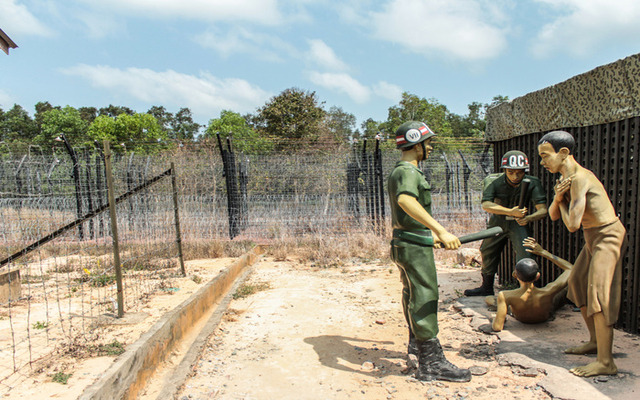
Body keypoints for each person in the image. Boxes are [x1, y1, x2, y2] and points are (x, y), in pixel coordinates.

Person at [538, 130, 627, 377]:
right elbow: (554, 214)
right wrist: (558, 198)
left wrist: (561, 202)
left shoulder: (578, 178)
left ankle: (606, 362)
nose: (543, 162)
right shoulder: (565, 180)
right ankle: (595, 342)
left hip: (607, 236)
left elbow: (572, 224)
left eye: (546, 156)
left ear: (563, 153)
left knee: (599, 294)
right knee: (576, 282)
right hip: (593, 237)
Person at [388, 121, 471, 383]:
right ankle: (431, 363)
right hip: (413, 246)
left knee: (411, 292)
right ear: (416, 143)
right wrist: (441, 230)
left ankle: (416, 343)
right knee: (425, 294)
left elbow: (406, 211)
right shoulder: (408, 172)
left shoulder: (400, 171)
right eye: (428, 142)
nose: (431, 147)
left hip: (407, 241)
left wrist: (432, 236)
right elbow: (405, 200)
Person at [464, 151, 548, 297]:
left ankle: (527, 290)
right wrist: (510, 212)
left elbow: (543, 210)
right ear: (504, 170)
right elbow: (486, 204)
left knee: (526, 254)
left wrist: (528, 218)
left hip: (519, 223)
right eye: (511, 172)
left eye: (519, 173)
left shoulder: (533, 182)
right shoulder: (493, 181)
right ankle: (486, 287)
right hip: (498, 222)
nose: (515, 177)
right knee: (487, 250)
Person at [487, 237, 572, 332]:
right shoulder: (549, 290)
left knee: (489, 299)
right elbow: (570, 269)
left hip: (520, 316)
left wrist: (495, 319)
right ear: (538, 276)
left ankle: (503, 311)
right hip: (544, 317)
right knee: (564, 289)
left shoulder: (506, 295)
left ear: (514, 275)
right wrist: (543, 252)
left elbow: (497, 327)